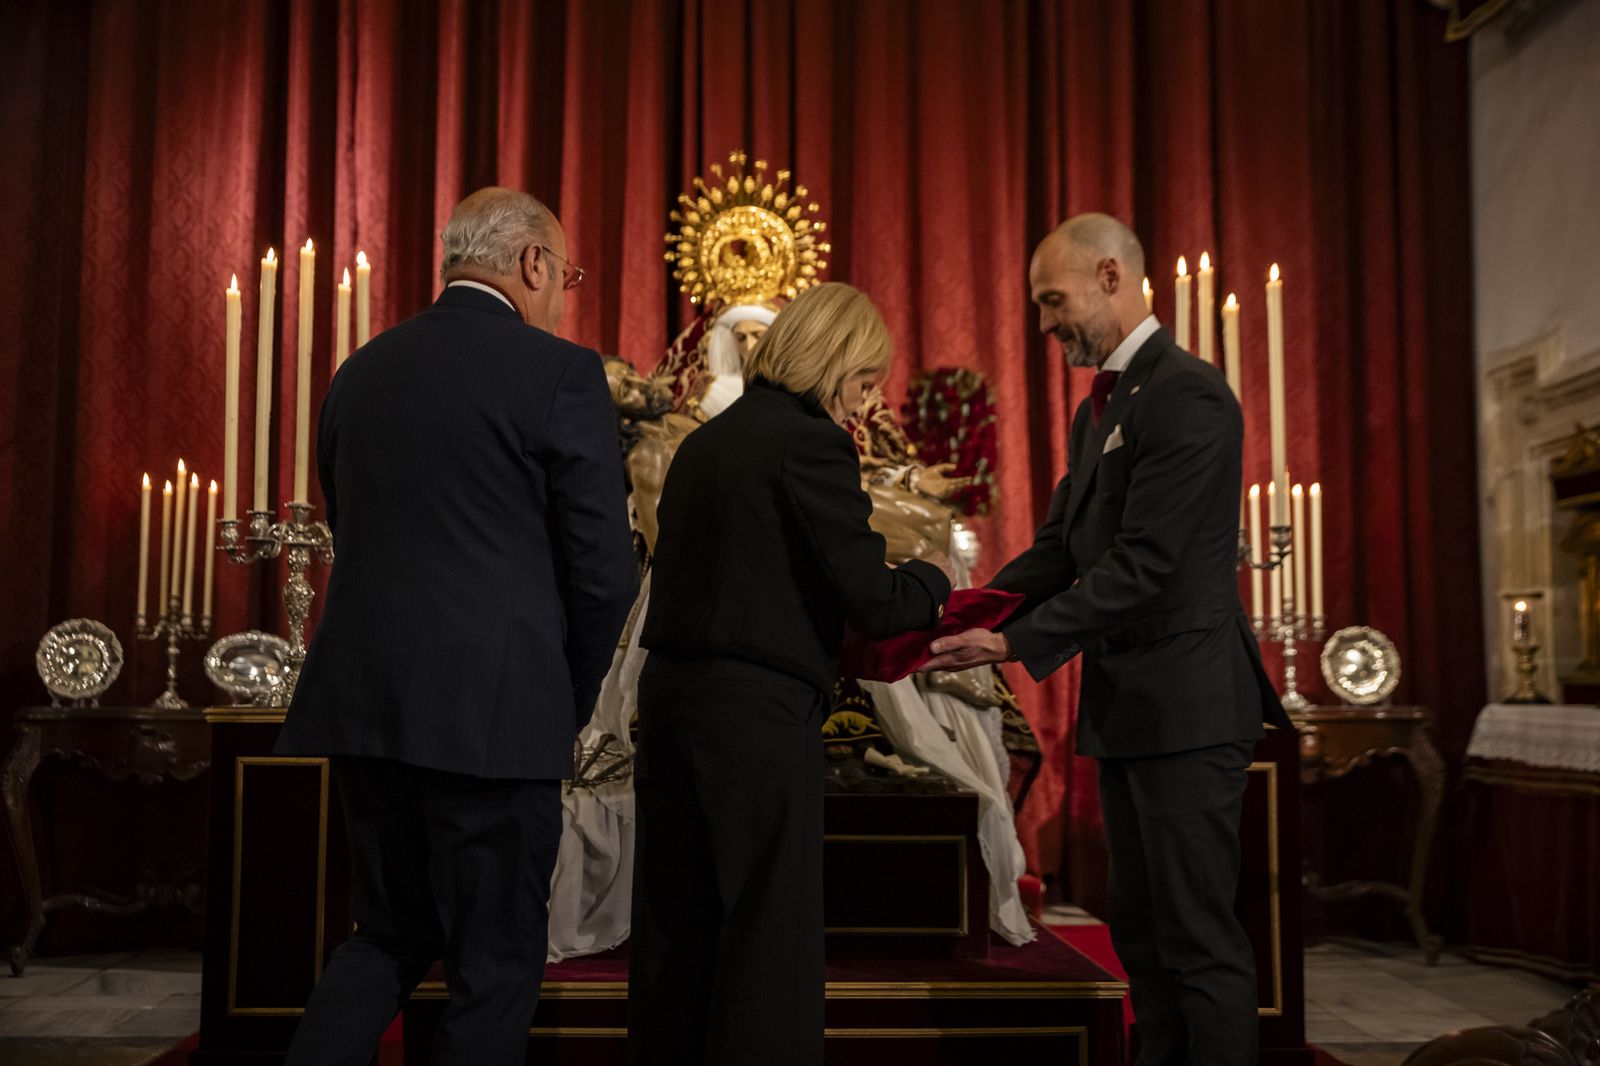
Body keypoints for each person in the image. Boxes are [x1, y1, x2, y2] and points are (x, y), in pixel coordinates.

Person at [274, 186, 638, 1065]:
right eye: (567, 275)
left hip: (366, 709)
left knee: (385, 935)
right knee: (496, 961)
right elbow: (604, 575)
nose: (561, 295)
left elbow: (347, 525)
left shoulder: (360, 370)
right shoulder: (560, 373)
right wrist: (569, 697)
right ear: (533, 264)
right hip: (496, 723)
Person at [923, 213, 1293, 1066]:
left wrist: (1011, 648)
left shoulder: (1188, 392)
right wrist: (957, 613)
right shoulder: (1106, 407)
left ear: (1111, 278)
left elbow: (1148, 567)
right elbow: (1060, 550)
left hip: (1190, 709)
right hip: (1134, 708)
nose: (1046, 322)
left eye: (1054, 301)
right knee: (1141, 930)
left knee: (1198, 937)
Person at [627, 282, 956, 1065]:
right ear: (833, 361)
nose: (866, 404)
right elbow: (874, 600)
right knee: (767, 935)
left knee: (678, 928)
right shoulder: (808, 441)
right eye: (865, 381)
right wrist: (935, 579)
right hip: (754, 716)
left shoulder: (705, 442)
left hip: (670, 705)